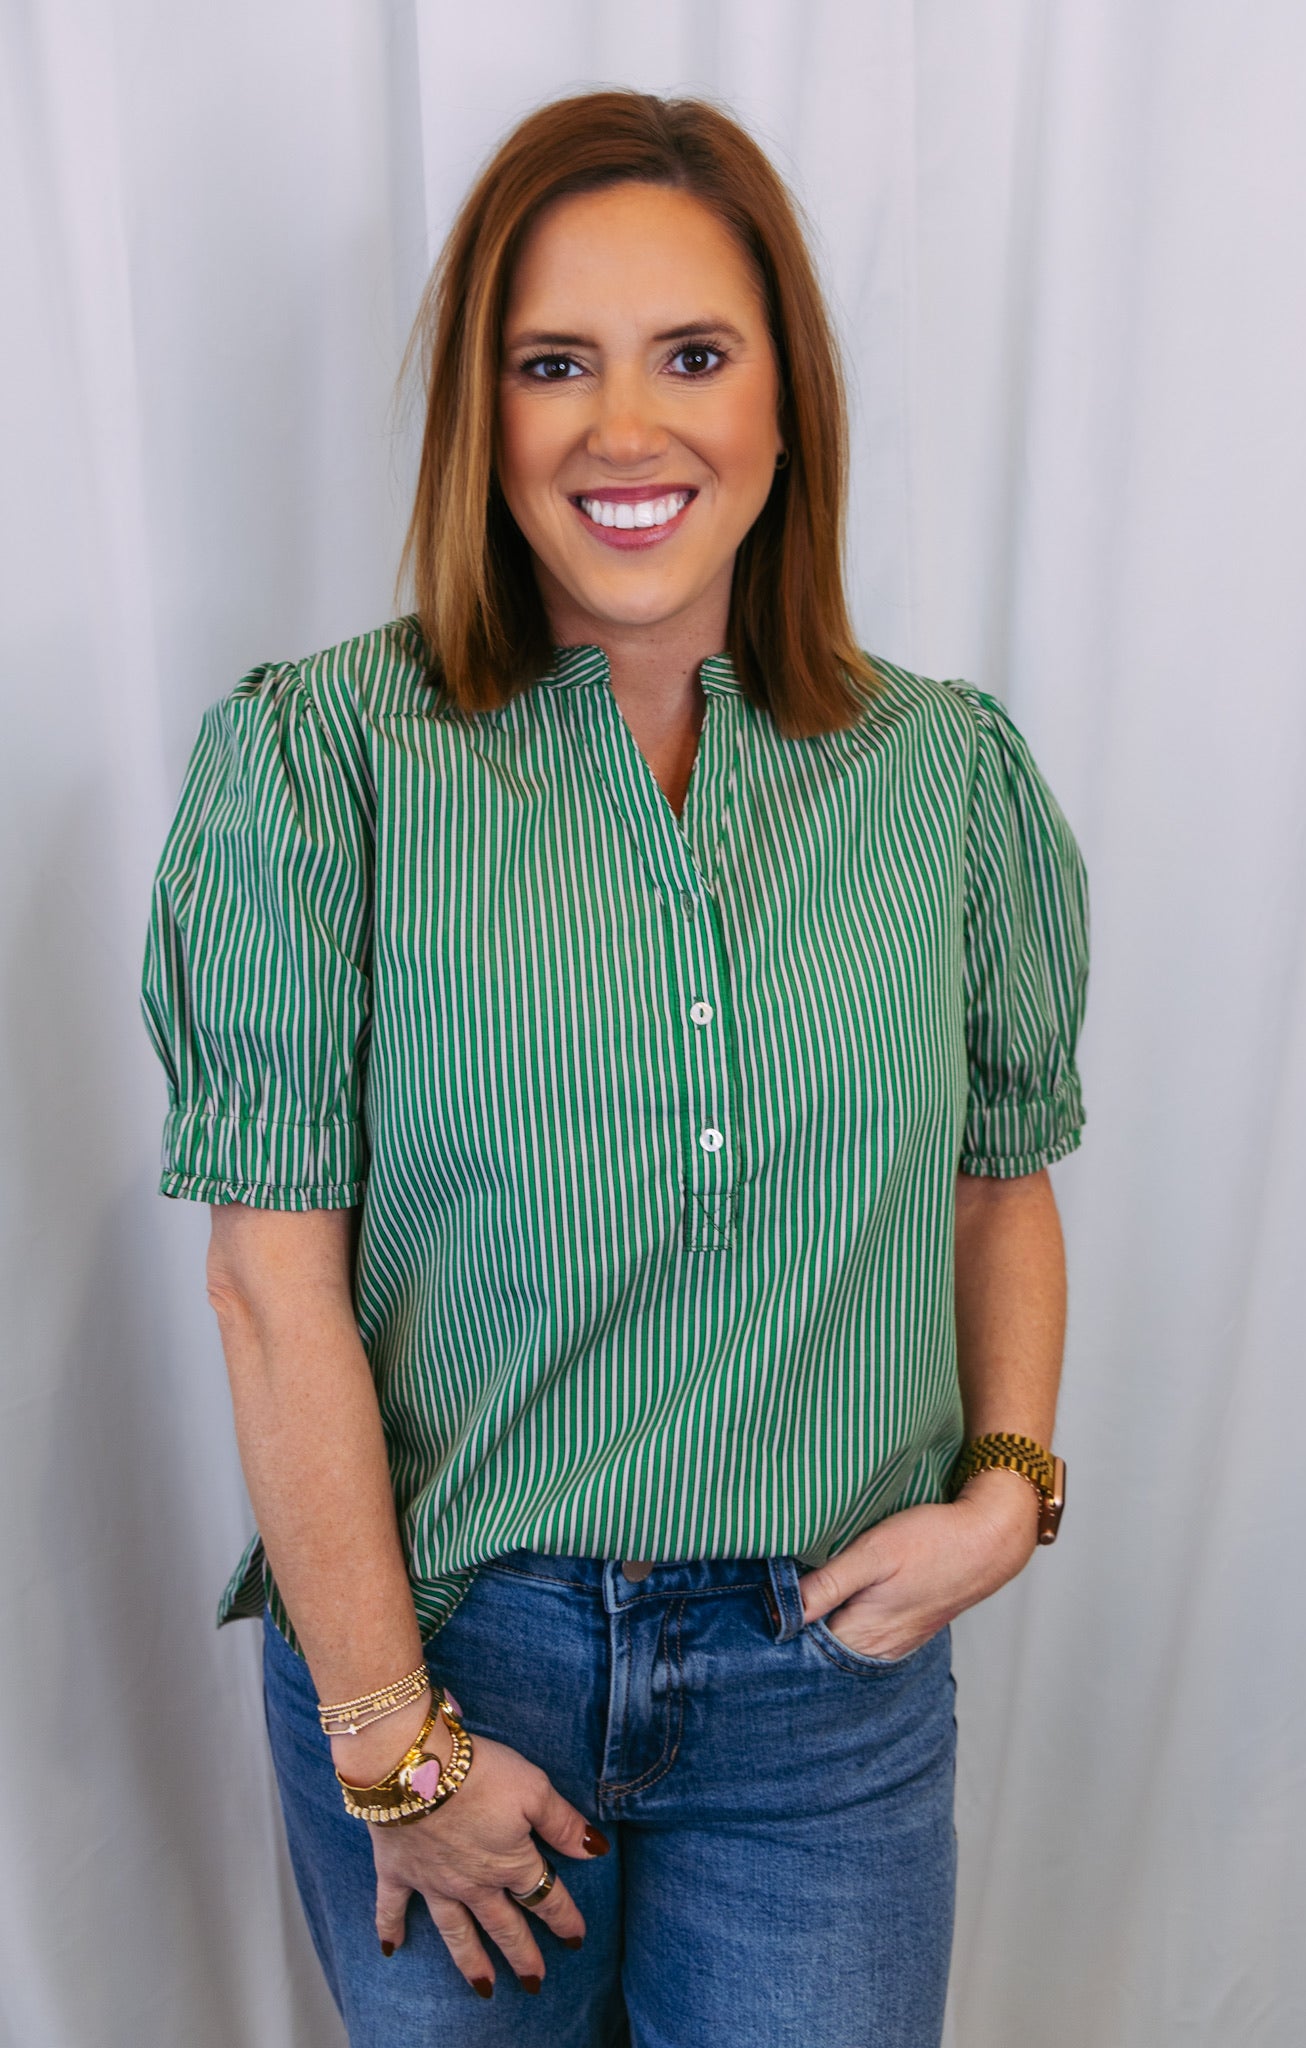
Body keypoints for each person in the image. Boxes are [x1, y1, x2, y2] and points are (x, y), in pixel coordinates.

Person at [143, 89, 1087, 2048]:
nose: (623, 427)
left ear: (782, 405)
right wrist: (392, 1738)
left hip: (823, 1678)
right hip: (438, 1660)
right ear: (480, 420)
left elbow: (997, 1180)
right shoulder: (321, 767)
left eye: (691, 355)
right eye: (551, 363)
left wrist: (1005, 1482)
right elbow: (268, 1283)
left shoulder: (944, 778)